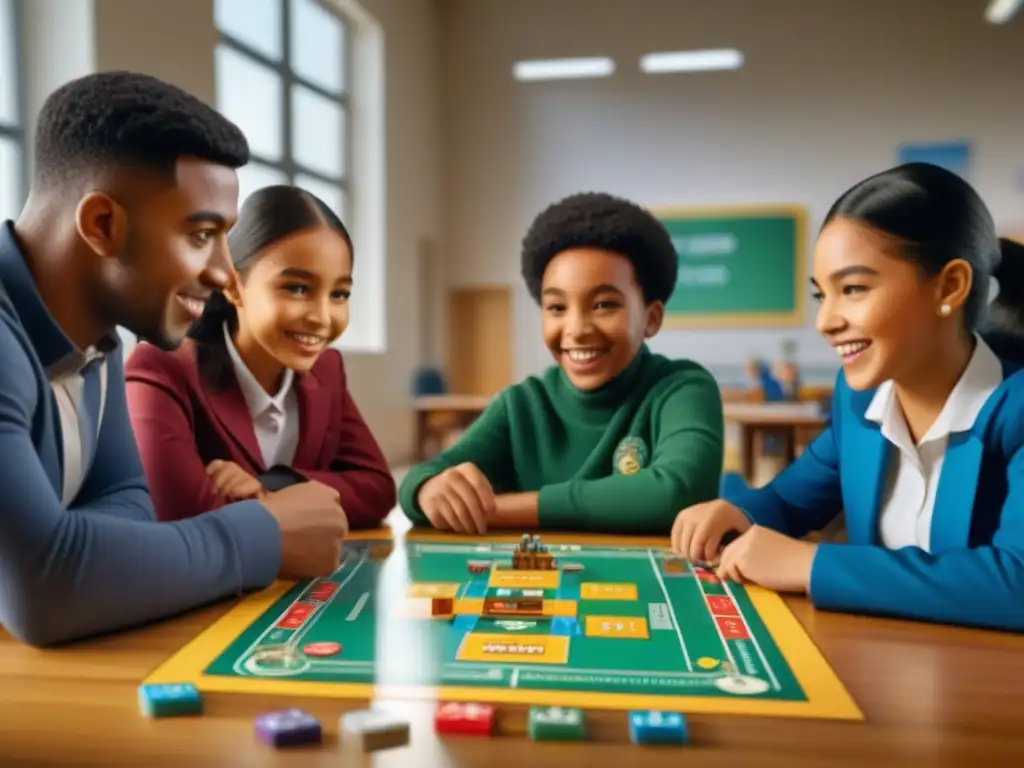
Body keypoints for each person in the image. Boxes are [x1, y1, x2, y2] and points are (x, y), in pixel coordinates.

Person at [0, 71, 347, 646]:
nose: (224, 273)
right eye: (201, 234)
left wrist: (71, 553)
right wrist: (263, 533)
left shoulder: (101, 340)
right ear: (102, 225)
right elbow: (44, 590)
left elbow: (131, 505)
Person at [671, 162, 1024, 632]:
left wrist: (812, 565)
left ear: (950, 286)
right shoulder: (859, 401)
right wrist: (738, 512)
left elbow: (1015, 584)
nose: (826, 322)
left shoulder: (1014, 408)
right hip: (882, 666)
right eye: (823, 295)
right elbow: (791, 501)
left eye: (854, 289)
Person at [398, 191, 724, 535]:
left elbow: (677, 492)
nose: (577, 329)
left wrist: (499, 510)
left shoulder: (682, 388)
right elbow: (419, 482)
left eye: (603, 305)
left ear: (651, 318)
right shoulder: (521, 405)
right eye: (557, 308)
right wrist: (427, 489)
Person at [125, 185, 395, 526]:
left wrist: (273, 486)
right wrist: (298, 504)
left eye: (339, 293)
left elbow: (377, 490)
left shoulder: (326, 369)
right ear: (234, 286)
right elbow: (178, 515)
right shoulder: (160, 366)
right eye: (297, 288)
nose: (322, 317)